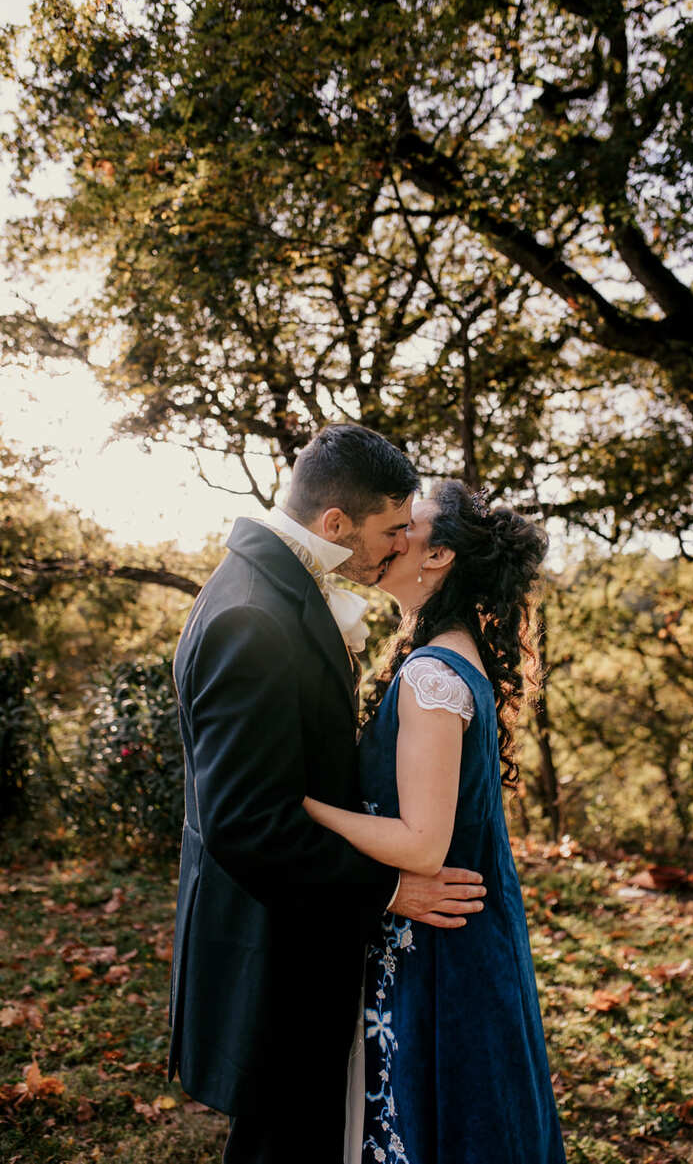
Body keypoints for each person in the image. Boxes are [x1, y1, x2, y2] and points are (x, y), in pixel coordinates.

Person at [168, 425, 487, 1164]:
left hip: (292, 934)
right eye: (390, 529)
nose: (399, 544)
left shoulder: (267, 587)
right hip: (272, 952)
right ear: (334, 524)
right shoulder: (253, 615)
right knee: (284, 1141)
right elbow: (247, 825)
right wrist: (387, 888)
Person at [303, 480, 567, 1164]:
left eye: (406, 527)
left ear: (440, 552)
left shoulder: (431, 676)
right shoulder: (447, 656)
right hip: (463, 936)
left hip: (444, 952)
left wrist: (305, 807)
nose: (391, 538)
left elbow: (423, 843)